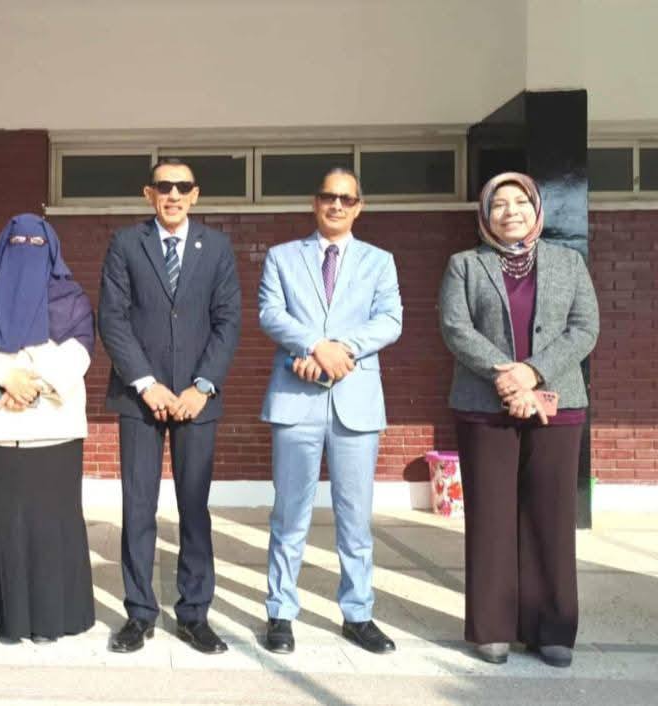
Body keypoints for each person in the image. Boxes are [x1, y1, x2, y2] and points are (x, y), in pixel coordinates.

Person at [438, 172, 599, 668]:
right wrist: (506, 377)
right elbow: (455, 328)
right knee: (491, 516)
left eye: (520, 202)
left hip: (558, 405)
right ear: (485, 214)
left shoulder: (569, 263)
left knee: (551, 517)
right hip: (484, 407)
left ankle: (551, 628)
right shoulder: (465, 265)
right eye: (499, 204)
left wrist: (532, 373)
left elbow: (584, 328)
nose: (511, 212)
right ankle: (492, 628)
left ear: (537, 210)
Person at [98, 158, 241, 654]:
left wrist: (202, 386)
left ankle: (194, 614)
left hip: (196, 400)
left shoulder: (217, 247)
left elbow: (228, 320)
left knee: (193, 508)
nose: (173, 194)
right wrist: (146, 384)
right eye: (164, 187)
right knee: (138, 507)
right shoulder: (125, 244)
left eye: (182, 187)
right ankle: (139, 613)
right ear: (149, 194)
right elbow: (112, 318)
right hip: (141, 398)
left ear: (195, 194)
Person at [259, 168, 403, 655]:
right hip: (295, 400)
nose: (336, 205)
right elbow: (271, 314)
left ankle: (358, 613)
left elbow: (390, 320)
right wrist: (314, 345)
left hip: (355, 402)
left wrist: (340, 349)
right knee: (289, 515)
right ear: (314, 202)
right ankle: (281, 611)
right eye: (328, 196)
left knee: (355, 518)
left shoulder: (380, 261)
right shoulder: (281, 257)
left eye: (346, 198)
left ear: (359, 206)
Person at [0, 214, 96, 643]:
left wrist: (30, 383)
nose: (27, 249)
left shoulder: (71, 298)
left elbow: (80, 347)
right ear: (3, 248)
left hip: (54, 431)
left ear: (52, 251)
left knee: (50, 524)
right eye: (18, 242)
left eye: (37, 243)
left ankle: (50, 620)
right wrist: (3, 380)